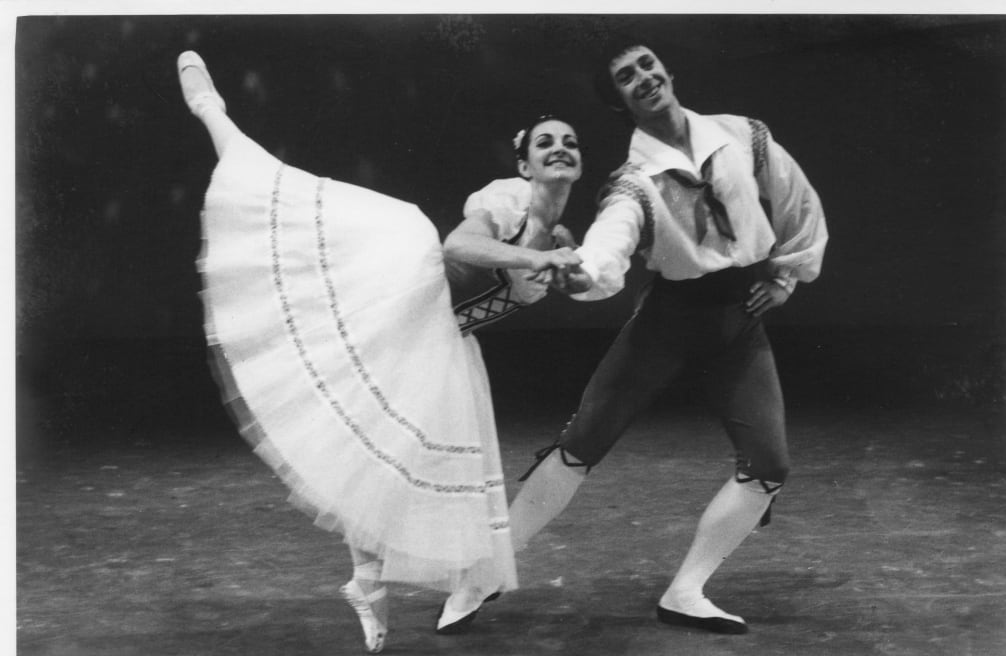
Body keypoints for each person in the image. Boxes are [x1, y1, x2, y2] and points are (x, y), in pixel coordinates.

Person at [176, 51, 584, 653]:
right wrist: (537, 258)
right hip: (401, 283)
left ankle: (366, 586)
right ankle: (214, 115)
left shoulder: (563, 235)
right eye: (545, 142)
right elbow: (462, 243)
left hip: (440, 339)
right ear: (524, 163)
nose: (559, 148)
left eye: (570, 142)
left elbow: (576, 280)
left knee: (387, 457)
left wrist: (573, 271)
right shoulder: (508, 199)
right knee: (276, 193)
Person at [441, 40, 828, 635]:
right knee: (581, 442)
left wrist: (785, 278)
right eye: (627, 77)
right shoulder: (632, 183)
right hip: (668, 323)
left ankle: (686, 589)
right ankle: (483, 575)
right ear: (621, 101)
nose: (643, 78)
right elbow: (608, 246)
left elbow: (799, 203)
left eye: (648, 66)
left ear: (668, 72)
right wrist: (583, 271)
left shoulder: (743, 135)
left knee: (769, 464)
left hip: (738, 322)